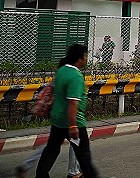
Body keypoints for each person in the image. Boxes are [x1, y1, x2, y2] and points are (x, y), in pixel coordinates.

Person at [36, 44, 98, 178]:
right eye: (85, 56)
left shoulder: (61, 71)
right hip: (73, 122)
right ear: (79, 59)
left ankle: (41, 175)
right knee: (84, 157)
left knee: (51, 150)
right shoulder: (75, 76)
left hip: (57, 119)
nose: (86, 59)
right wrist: (73, 125)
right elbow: (72, 102)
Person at [17, 59, 81, 178]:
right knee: (75, 141)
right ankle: (74, 172)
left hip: (57, 115)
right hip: (64, 117)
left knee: (52, 145)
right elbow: (71, 101)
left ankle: (26, 165)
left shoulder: (58, 78)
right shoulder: (67, 79)